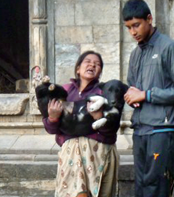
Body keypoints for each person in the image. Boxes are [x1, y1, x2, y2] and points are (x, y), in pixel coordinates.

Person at [123, 0, 174, 197]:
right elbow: (132, 89)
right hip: (140, 130)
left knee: (157, 189)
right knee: (142, 188)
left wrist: (146, 95)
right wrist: (130, 97)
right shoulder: (135, 54)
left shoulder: (169, 47)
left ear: (149, 19)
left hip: (162, 130)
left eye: (136, 25)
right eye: (128, 27)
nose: (133, 32)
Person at [43, 50, 120, 197]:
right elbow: (50, 128)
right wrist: (53, 117)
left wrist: (99, 117)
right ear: (78, 69)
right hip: (70, 152)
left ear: (100, 73)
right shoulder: (64, 91)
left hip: (98, 152)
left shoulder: (104, 92)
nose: (92, 65)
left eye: (97, 64)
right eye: (88, 61)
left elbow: (111, 130)